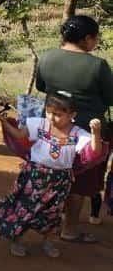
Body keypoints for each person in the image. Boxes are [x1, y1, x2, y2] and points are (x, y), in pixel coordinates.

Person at [0, 92, 103, 258]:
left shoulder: (77, 134)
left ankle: (47, 241)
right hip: (35, 176)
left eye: (58, 115)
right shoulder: (39, 124)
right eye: (49, 112)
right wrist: (4, 122)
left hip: (60, 180)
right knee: (25, 208)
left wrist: (96, 133)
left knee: (53, 212)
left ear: (72, 115)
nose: (52, 118)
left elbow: (95, 151)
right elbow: (19, 135)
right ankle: (16, 240)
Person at [36, 15, 113, 241]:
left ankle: (43, 220)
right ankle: (69, 229)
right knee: (80, 181)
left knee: (50, 172)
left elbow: (41, 86)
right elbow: (110, 97)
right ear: (87, 38)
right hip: (86, 130)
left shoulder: (47, 57)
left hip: (51, 126)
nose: (95, 42)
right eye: (95, 38)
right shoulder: (97, 65)